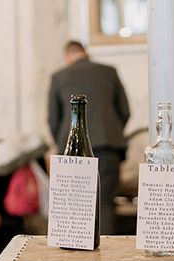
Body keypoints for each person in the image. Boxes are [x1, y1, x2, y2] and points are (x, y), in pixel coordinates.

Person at [48, 40, 131, 235]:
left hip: (72, 153)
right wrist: (109, 133)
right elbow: (125, 111)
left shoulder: (59, 77)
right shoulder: (109, 72)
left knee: (74, 207)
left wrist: (64, 144)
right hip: (106, 148)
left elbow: (53, 120)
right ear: (85, 53)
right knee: (104, 204)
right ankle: (107, 258)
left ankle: (77, 259)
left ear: (67, 56)